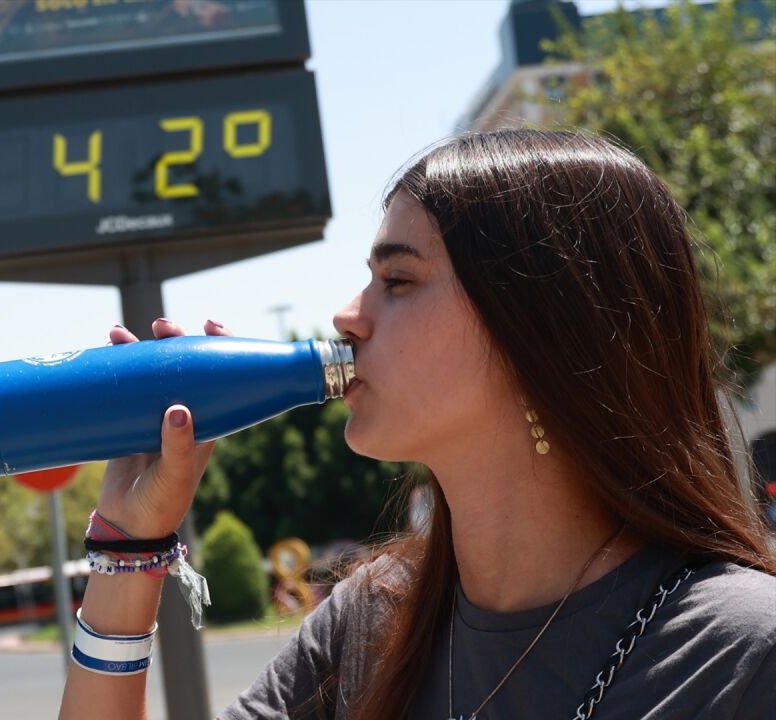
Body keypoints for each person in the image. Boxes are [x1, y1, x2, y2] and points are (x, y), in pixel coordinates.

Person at [58, 129, 776, 719]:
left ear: (543, 335)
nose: (347, 315)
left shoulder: (741, 656)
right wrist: (129, 545)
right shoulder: (367, 623)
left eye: (397, 280)